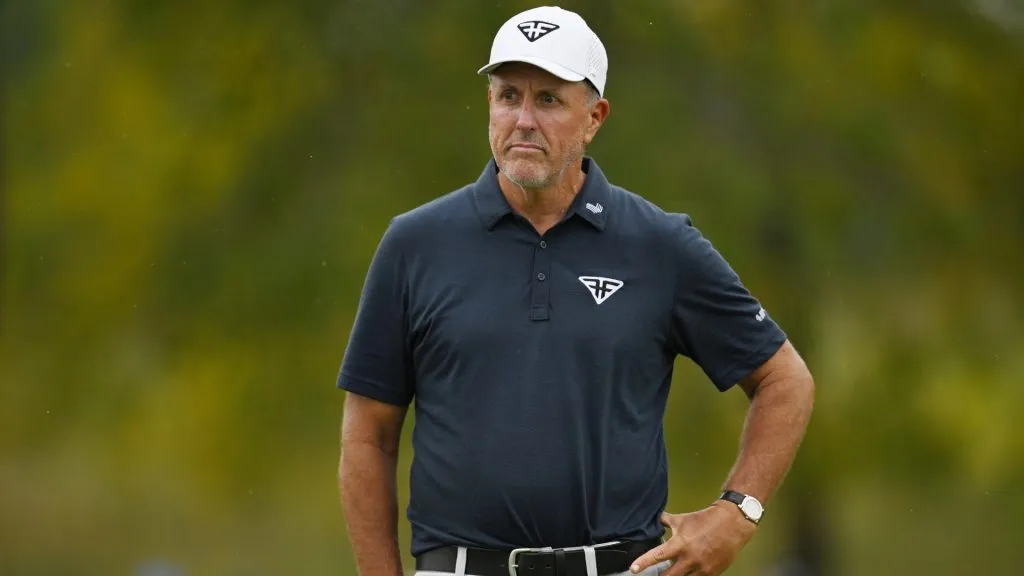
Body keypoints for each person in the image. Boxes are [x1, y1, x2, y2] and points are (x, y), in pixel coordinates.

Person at [336, 6, 815, 576]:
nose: (523, 120)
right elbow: (369, 436)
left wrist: (737, 513)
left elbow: (785, 381)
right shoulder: (416, 245)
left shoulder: (659, 246)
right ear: (489, 103)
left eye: (548, 100)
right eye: (508, 96)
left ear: (594, 117)